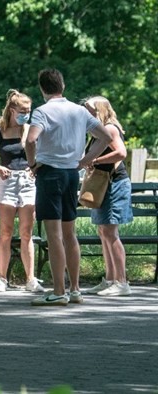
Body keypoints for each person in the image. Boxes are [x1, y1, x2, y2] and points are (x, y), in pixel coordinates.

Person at [24, 68, 112, 307]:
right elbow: (105, 137)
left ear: (42, 88)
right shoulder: (79, 110)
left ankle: (58, 291)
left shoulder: (42, 111)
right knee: (69, 234)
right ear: (62, 85)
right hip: (72, 174)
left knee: (53, 236)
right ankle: (74, 289)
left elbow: (31, 140)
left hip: (50, 174)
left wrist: (32, 164)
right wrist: (85, 160)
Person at [0, 90, 44, 293]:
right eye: (22, 111)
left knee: (27, 233)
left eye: (29, 111)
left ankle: (31, 279)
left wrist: (34, 168)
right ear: (12, 110)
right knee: (5, 232)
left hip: (28, 182)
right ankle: (2, 278)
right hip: (7, 182)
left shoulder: (31, 130)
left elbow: (43, 154)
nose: (26, 114)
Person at [81, 96, 132, 297]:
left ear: (100, 110)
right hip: (103, 184)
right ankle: (110, 279)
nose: (86, 114)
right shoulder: (97, 131)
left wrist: (94, 159)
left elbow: (121, 153)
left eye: (89, 110)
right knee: (103, 232)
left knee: (111, 232)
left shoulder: (110, 128)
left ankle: (122, 281)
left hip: (113, 183)